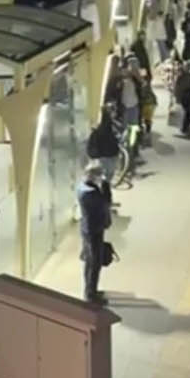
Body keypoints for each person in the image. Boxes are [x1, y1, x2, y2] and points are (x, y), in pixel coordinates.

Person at [78, 163, 112, 305]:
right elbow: (106, 202)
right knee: (94, 263)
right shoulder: (91, 193)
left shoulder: (82, 187)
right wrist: (106, 186)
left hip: (88, 228)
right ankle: (91, 294)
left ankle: (90, 290)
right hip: (94, 230)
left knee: (90, 261)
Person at [86, 108, 119, 186]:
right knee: (107, 176)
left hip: (101, 156)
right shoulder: (109, 127)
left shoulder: (97, 129)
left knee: (102, 177)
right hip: (109, 155)